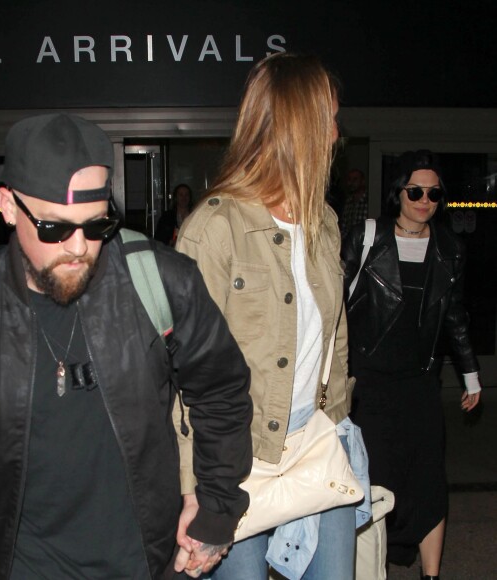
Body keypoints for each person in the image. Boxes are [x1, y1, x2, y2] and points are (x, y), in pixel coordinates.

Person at [0, 113, 253, 580]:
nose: (79, 247)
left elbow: (221, 391)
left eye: (96, 225)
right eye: (55, 228)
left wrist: (215, 510)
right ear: (9, 206)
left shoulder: (161, 282)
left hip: (145, 560)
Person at [176, 52, 364, 580]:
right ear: (297, 125)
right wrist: (193, 490)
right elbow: (184, 377)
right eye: (328, 118)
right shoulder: (215, 229)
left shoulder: (323, 221)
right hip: (238, 456)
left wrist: (341, 421)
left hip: (314, 441)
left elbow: (336, 334)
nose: (335, 133)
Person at [341, 150, 482, 580]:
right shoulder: (368, 237)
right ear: (398, 192)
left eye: (434, 193)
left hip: (421, 383)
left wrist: (471, 373)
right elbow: (334, 307)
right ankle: (371, 569)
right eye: (416, 191)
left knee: (429, 482)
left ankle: (432, 575)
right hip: (370, 384)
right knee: (375, 481)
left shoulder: (449, 249)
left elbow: (454, 315)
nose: (424, 200)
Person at [339, 168, 368, 238]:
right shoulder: (348, 202)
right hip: (349, 243)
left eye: (355, 179)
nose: (351, 183)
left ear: (362, 181)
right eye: (349, 179)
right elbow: (344, 226)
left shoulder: (368, 201)